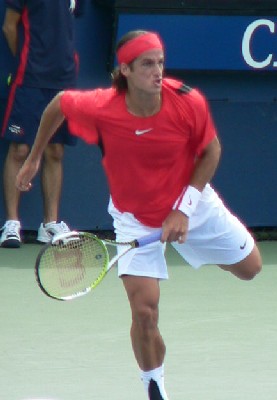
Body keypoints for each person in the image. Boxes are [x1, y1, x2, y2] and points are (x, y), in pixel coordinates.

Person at [15, 30, 262, 400]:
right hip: (134, 218)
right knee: (144, 311)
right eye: (147, 64)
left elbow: (211, 152)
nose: (158, 71)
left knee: (251, 268)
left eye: (161, 62)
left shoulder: (187, 102)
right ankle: (154, 383)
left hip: (191, 203)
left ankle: (201, 249)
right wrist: (34, 157)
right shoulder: (102, 106)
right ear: (125, 70)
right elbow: (60, 102)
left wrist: (183, 210)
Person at [0, 0, 85, 248]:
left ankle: (49, 225)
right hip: (29, 78)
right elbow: (8, 27)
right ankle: (12, 223)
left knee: (55, 151)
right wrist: (29, 63)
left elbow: (68, 24)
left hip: (64, 78)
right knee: (19, 149)